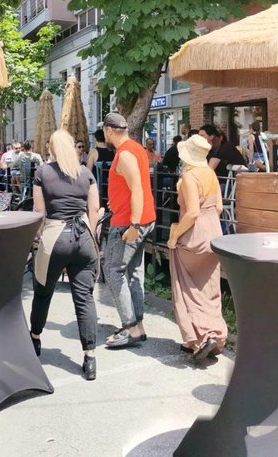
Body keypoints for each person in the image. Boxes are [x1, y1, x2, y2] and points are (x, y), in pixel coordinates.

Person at [30, 129, 103, 380]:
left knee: (43, 292)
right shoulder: (86, 174)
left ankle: (35, 338)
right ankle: (90, 357)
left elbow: (39, 212)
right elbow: (94, 209)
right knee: (84, 299)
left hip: (55, 236)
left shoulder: (42, 172)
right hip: (83, 236)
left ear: (51, 148)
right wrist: (91, 237)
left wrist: (39, 236)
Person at [168, 134, 228, 361]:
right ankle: (215, 334)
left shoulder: (189, 176)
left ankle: (198, 338)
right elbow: (219, 207)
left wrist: (175, 237)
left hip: (194, 233)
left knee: (187, 287)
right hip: (214, 232)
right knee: (209, 287)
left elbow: (192, 212)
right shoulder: (211, 173)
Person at [102, 113, 155, 350]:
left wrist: (134, 225)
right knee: (133, 272)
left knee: (113, 270)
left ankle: (131, 327)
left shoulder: (124, 153)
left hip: (129, 222)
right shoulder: (136, 148)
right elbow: (135, 186)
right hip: (141, 218)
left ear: (109, 131)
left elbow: (137, 189)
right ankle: (137, 326)